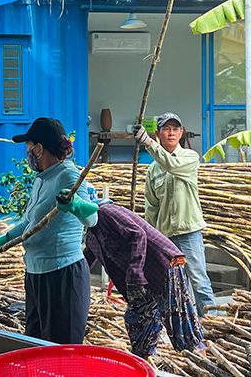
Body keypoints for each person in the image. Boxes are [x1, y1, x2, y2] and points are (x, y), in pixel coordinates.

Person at [0, 118, 91, 344]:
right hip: (36, 274)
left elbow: (92, 218)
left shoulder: (69, 175)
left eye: (28, 148)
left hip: (62, 275)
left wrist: (75, 205)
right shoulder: (42, 179)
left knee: (62, 350)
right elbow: (27, 224)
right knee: (36, 345)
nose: (28, 153)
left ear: (39, 148)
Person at [57, 194, 205, 359]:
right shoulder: (92, 235)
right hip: (140, 280)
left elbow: (137, 234)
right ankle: (146, 358)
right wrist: (69, 277)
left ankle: (197, 355)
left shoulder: (109, 212)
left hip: (162, 265)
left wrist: (134, 274)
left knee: (178, 317)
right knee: (137, 318)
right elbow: (86, 261)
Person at [134, 112, 216, 316]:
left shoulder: (189, 157)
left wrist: (149, 143)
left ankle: (213, 324)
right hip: (165, 237)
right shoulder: (153, 170)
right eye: (166, 129)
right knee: (170, 284)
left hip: (188, 231)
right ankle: (181, 328)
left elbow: (171, 164)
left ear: (181, 133)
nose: (171, 133)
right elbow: (151, 207)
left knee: (198, 281)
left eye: (175, 129)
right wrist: (150, 239)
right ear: (159, 133)